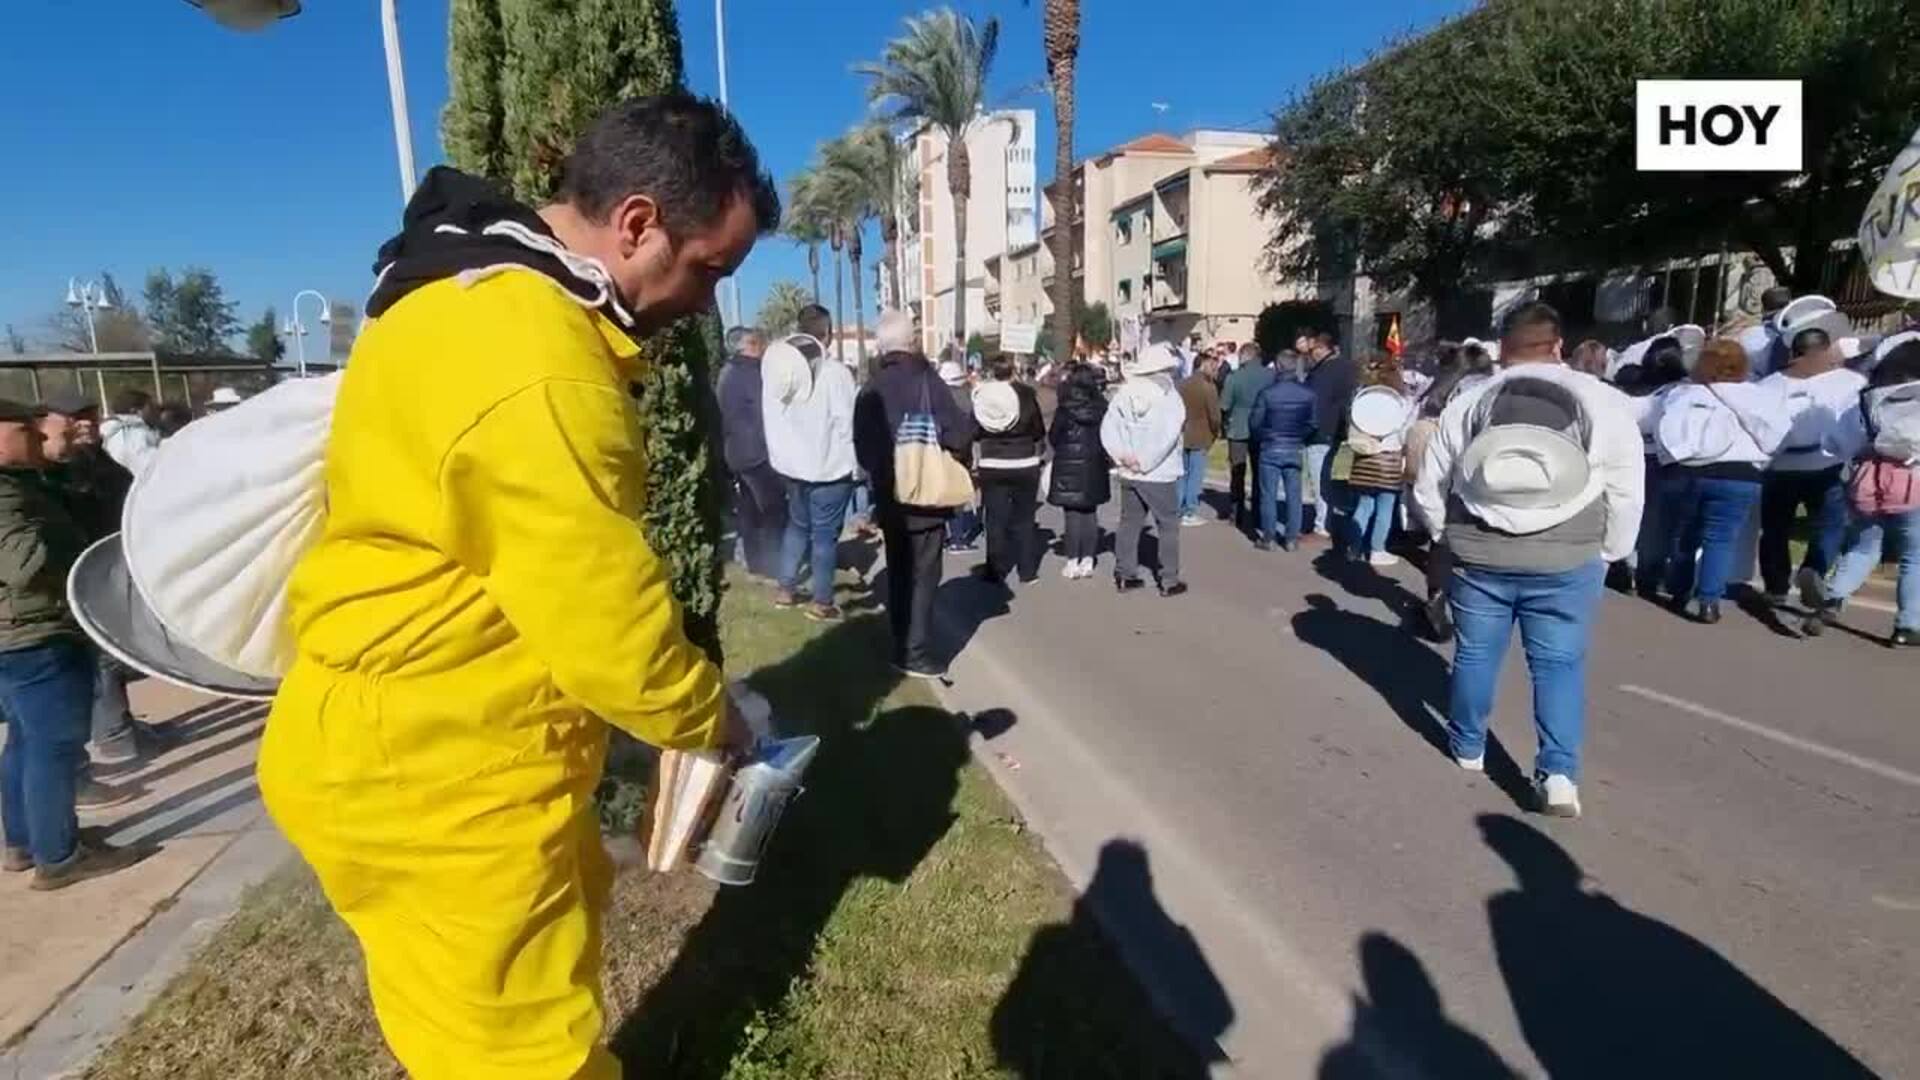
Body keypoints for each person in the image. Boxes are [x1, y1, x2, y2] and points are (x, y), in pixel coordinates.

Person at [258, 94, 775, 1079]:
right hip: (442, 778)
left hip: (391, 745)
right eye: (710, 268)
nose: (709, 302)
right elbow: (609, 630)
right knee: (520, 1057)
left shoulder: (457, 291)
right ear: (637, 224)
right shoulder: (543, 368)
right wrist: (716, 721)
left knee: (462, 1032)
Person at [1412, 302, 1644, 818]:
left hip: (1480, 547)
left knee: (1475, 654)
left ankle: (1468, 746)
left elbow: (1430, 482)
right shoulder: (1603, 400)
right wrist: (1611, 551)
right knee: (1559, 666)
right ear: (1558, 345)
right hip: (1568, 553)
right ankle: (1558, 774)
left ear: (1503, 348)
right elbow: (1628, 490)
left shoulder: (1472, 400)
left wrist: (1442, 534)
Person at [0, 398, 149, 889]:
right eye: (27, 430)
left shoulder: (18, 486)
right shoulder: (6, 497)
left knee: (26, 741)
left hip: (19, 638)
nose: (40, 439)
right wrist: (76, 547)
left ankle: (28, 840)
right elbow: (24, 566)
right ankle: (59, 856)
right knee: (54, 747)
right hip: (35, 635)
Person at [36, 394, 166, 781]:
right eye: (74, 418)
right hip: (71, 578)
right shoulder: (47, 473)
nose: (86, 424)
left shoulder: (93, 460)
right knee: (97, 660)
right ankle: (111, 736)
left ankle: (119, 725)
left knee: (113, 652)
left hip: (108, 561)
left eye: (90, 417)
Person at [855, 316, 976, 679]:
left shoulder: (871, 388)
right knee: (924, 575)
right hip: (926, 494)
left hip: (890, 497)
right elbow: (957, 434)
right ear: (912, 343)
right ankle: (915, 651)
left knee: (900, 571)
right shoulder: (929, 382)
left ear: (882, 347)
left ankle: (901, 641)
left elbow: (863, 451)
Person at [1643, 339, 1792, 623]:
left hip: (1690, 472)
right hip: (1741, 474)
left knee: (1686, 535)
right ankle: (1709, 602)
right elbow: (1778, 434)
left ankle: (1679, 589)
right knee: (1721, 539)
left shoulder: (1682, 394)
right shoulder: (1760, 396)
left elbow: (1660, 425)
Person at [1757, 321, 1865, 611]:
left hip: (1778, 467)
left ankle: (1776, 587)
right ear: (1825, 350)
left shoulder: (1769, 384)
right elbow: (1858, 424)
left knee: (1775, 528)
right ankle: (1814, 569)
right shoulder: (1850, 382)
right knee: (1829, 525)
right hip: (1828, 466)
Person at [1819, 340, 1920, 645]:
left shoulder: (1867, 399)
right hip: (1912, 482)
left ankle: (1832, 599)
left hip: (1869, 478)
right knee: (1914, 556)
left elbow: (1836, 440)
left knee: (1863, 547)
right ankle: (1907, 626)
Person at [765, 305, 857, 621]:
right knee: (824, 536)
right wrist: (857, 465)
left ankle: (786, 589)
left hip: (792, 467)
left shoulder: (779, 370)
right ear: (827, 333)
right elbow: (847, 424)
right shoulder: (834, 373)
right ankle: (821, 602)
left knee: (797, 527)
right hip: (829, 468)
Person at [1406, 342, 1495, 638]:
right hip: (1478, 471)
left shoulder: (1440, 389)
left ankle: (1436, 597)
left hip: (1442, 467)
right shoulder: (1493, 388)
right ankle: (1473, 605)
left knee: (1441, 537)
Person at [1102, 343, 1189, 597]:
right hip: (1159, 472)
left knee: (1130, 523)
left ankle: (1125, 574)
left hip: (1129, 471)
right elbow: (1168, 435)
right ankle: (1169, 579)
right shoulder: (1168, 396)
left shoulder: (1124, 393)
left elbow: (1108, 428)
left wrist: (1121, 456)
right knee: (1168, 525)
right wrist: (1146, 461)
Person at [1613, 337, 1689, 600]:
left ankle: (1630, 567)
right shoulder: (1683, 392)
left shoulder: (1632, 385)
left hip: (1638, 456)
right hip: (1666, 460)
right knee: (1661, 521)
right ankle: (1647, 573)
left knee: (1636, 513)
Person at [717, 324, 784, 582]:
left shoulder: (727, 371)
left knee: (748, 509)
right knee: (773, 510)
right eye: (757, 343)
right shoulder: (749, 373)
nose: (762, 347)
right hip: (755, 453)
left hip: (736, 453)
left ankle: (755, 562)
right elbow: (763, 412)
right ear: (747, 347)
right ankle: (772, 564)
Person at [972, 353, 1045, 586]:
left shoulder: (983, 396)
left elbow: (974, 430)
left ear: (993, 372)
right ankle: (1027, 572)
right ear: (1013, 370)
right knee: (1024, 519)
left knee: (995, 519)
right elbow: (1038, 430)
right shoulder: (1026, 394)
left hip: (992, 463)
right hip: (1024, 461)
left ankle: (994, 571)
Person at [1344, 357, 1413, 567]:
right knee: (1385, 507)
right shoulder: (1401, 400)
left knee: (1364, 505)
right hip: (1389, 458)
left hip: (1365, 456)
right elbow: (1405, 432)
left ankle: (1354, 547)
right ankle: (1377, 549)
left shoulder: (1362, 395)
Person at [1048, 361, 1112, 579]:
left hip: (1068, 463)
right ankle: (1088, 560)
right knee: (1090, 512)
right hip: (1094, 462)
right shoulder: (1102, 407)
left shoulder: (1064, 408)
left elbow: (1054, 436)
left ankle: (1072, 560)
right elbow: (1108, 436)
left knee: (1072, 514)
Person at [1248, 353, 1318, 551]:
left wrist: (1265, 436)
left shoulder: (1267, 393)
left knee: (1268, 494)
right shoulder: (1308, 394)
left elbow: (1255, 423)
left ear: (1278, 366)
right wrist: (1298, 437)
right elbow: (1313, 424)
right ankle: (1291, 538)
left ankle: (1269, 537)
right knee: (1294, 495)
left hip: (1271, 446)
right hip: (1294, 446)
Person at [1302, 322, 1358, 542]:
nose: (1312, 355)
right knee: (1325, 474)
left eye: (1315, 351)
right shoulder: (1347, 367)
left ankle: (1322, 524)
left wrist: (1308, 428)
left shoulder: (1325, 371)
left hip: (1320, 430)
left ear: (1323, 348)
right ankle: (1326, 519)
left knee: (1319, 478)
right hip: (1336, 429)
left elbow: (1316, 402)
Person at [1219, 342, 1276, 529]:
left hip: (1238, 428)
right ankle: (1259, 513)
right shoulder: (1271, 376)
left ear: (1244, 356)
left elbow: (1225, 405)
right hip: (1263, 429)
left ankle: (1237, 512)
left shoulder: (1235, 377)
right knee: (1261, 473)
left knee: (1237, 472)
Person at [938, 355, 981, 553]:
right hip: (959, 453)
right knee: (956, 497)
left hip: (938, 452)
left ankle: (942, 538)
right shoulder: (964, 398)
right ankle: (957, 539)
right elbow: (974, 427)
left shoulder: (933, 397)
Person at [1176, 350, 1224, 526]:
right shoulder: (1208, 386)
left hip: (1183, 433)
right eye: (1212, 365)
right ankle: (1189, 510)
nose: (1215, 368)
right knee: (1195, 475)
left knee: (1182, 474)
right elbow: (1215, 416)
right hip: (1201, 435)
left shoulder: (1182, 384)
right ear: (1203, 365)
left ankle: (1178, 508)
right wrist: (1216, 432)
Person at [98, 388, 160, 477]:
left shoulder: (111, 433)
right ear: (135, 411)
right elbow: (150, 465)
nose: (156, 410)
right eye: (151, 406)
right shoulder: (134, 433)